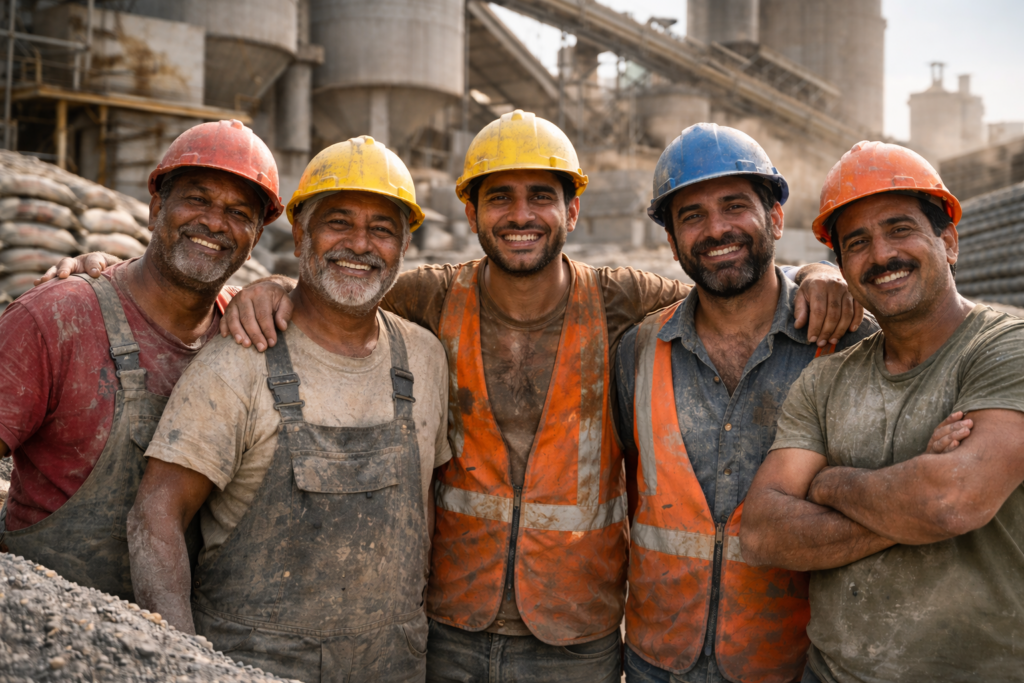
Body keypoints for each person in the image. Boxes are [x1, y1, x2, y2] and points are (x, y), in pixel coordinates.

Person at [58, 112, 858, 682]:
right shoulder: (429, 301)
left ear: (572, 209)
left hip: (574, 640)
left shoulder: (623, 301)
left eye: (540, 197)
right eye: (498, 198)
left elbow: (722, 286)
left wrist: (813, 278)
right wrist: (261, 286)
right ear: (467, 212)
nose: (521, 216)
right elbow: (338, 290)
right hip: (445, 630)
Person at [126, 136, 451, 682]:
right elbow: (156, 514)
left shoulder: (424, 357)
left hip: (393, 663)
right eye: (338, 223)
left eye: (382, 229)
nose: (359, 244)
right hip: (252, 666)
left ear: (405, 245)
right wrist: (183, 661)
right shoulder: (241, 359)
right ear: (299, 234)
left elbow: (425, 510)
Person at [740, 141, 1024, 683]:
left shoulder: (1006, 351)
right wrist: (910, 497)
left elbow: (948, 502)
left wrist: (828, 484)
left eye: (900, 230)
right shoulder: (826, 378)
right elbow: (762, 532)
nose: (881, 255)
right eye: (857, 243)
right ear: (842, 267)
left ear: (949, 241)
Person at [615, 124, 876, 683]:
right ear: (672, 241)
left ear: (775, 219)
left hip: (791, 662)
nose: (716, 229)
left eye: (735, 205)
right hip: (654, 659)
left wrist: (822, 271)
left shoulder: (848, 343)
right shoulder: (636, 350)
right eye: (691, 216)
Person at [0, 119, 281, 600]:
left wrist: (284, 287)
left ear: (255, 237)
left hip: (174, 632)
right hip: (50, 619)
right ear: (156, 209)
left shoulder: (247, 334)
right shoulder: (57, 317)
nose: (214, 222)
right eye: (196, 198)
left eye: (238, 211)